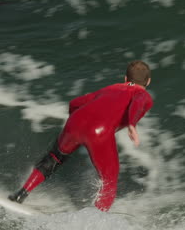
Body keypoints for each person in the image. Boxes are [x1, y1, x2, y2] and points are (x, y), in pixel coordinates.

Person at [9, 60, 153, 212]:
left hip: (75, 121)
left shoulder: (110, 88)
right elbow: (137, 103)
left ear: (125, 79)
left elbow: (74, 103)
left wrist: (75, 125)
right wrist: (132, 124)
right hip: (99, 131)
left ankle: (21, 194)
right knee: (109, 181)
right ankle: (94, 222)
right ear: (148, 81)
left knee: (54, 158)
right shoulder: (143, 95)